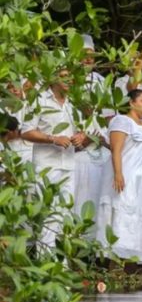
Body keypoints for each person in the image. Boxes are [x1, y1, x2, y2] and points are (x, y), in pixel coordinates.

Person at [21, 67, 93, 249]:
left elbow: (85, 128)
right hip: (46, 165)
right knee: (48, 213)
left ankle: (57, 262)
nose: (68, 80)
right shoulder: (39, 100)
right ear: (52, 79)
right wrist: (53, 138)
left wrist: (81, 136)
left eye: (70, 76)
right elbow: (26, 131)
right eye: (63, 76)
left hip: (68, 164)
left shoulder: (73, 103)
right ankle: (48, 263)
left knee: (64, 212)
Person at [97, 89, 142, 267]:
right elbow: (116, 149)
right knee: (122, 214)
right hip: (126, 177)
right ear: (131, 103)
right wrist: (118, 173)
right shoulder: (121, 121)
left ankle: (136, 260)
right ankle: (114, 258)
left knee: (141, 216)